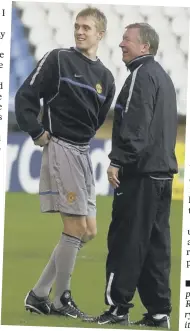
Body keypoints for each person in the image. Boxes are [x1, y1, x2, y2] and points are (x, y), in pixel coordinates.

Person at [15, 7, 115, 318]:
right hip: (62, 149)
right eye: (77, 26)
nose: (80, 31)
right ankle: (61, 300)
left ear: (100, 34)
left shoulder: (106, 78)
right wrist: (37, 130)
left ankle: (38, 294)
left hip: (84, 152)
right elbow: (25, 97)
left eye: (87, 27)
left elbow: (98, 118)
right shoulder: (58, 58)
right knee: (74, 226)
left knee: (88, 231)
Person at [89, 23, 178, 328]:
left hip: (140, 175)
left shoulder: (141, 76)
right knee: (155, 247)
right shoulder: (163, 78)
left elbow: (136, 128)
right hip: (162, 176)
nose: (121, 44)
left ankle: (117, 308)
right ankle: (158, 312)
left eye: (127, 39)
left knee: (126, 240)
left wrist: (118, 160)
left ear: (145, 47)